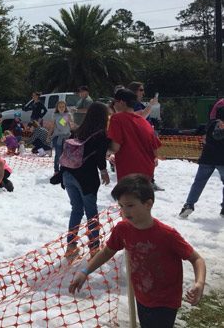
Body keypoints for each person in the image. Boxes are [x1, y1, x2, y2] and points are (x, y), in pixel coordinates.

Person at [69, 174, 206, 328]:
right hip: (142, 296)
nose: (124, 211)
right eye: (121, 206)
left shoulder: (167, 235)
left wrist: (199, 283)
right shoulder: (122, 229)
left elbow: (196, 259)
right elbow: (108, 251)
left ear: (148, 204)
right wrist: (85, 271)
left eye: (130, 205)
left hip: (165, 301)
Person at [60, 102, 110, 259]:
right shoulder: (100, 134)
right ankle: (94, 247)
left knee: (76, 209)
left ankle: (71, 247)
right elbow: (100, 157)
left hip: (68, 173)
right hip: (86, 178)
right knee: (91, 213)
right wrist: (104, 172)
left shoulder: (78, 130)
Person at [108, 88, 162, 184]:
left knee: (127, 198)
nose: (113, 105)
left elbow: (114, 148)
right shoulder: (144, 122)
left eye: (114, 102)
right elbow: (156, 153)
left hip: (128, 173)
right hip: (147, 174)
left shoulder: (117, 118)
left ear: (121, 102)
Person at [179, 106, 224, 218]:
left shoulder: (211, 124)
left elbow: (204, 136)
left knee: (199, 183)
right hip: (222, 160)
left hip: (207, 158)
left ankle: (189, 205)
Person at [51, 101, 74, 173]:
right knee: (58, 154)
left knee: (66, 154)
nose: (61, 108)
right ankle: (56, 170)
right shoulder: (55, 115)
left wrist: (70, 121)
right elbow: (53, 126)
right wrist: (48, 136)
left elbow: (71, 126)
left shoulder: (68, 114)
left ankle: (64, 170)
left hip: (67, 137)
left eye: (63, 106)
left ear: (65, 107)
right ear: (57, 108)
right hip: (57, 137)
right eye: (60, 106)